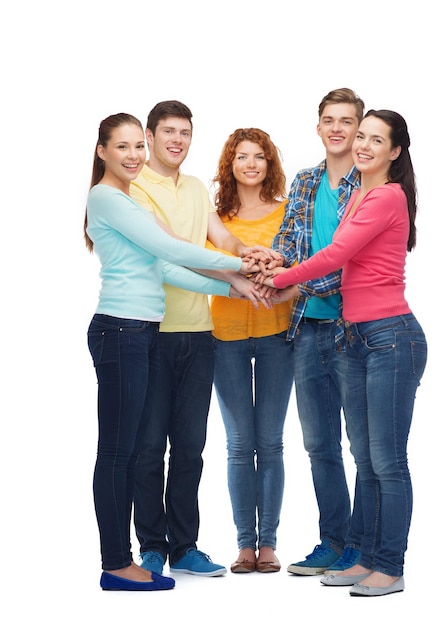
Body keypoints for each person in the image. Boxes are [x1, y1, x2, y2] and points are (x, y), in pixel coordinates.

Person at [85, 113, 260, 591]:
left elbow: (167, 267)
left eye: (134, 148)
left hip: (137, 330)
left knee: (137, 452)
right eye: (122, 147)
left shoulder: (124, 198)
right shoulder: (109, 197)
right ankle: (119, 563)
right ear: (102, 151)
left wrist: (234, 288)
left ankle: (132, 560)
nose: (133, 156)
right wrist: (239, 264)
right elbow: (170, 248)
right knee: (121, 455)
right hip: (122, 331)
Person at [262, 109, 428, 596]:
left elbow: (333, 256)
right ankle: (363, 557)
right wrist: (284, 276)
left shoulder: (387, 197)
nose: (364, 145)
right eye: (362, 137)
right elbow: (331, 260)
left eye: (377, 140)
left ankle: (390, 566)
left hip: (390, 338)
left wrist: (279, 281)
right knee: (369, 461)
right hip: (356, 336)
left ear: (394, 152)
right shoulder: (357, 194)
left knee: (388, 462)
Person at [130, 101, 279, 577]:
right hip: (154, 329)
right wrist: (235, 276)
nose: (177, 140)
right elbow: (172, 254)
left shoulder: (195, 189)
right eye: (168, 131)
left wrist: (244, 251)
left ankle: (185, 546)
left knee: (190, 448)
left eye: (186, 133)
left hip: (199, 333)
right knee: (151, 446)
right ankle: (152, 545)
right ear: (149, 136)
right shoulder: (132, 188)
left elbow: (220, 237)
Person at [268, 88, 365, 575]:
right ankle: (334, 541)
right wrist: (271, 263)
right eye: (329, 119)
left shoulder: (369, 186)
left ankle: (361, 547)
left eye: (347, 121)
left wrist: (288, 284)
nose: (337, 129)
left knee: (363, 446)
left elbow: (348, 262)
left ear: (360, 129)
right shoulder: (305, 181)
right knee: (319, 444)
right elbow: (287, 237)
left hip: (354, 329)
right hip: (307, 328)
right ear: (319, 126)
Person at [209, 128, 294, 573]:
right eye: (242, 156)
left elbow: (299, 266)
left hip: (276, 332)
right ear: (231, 163)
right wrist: (239, 270)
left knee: (272, 442)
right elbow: (203, 264)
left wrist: (274, 268)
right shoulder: (214, 217)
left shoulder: (285, 213)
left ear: (269, 163)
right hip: (224, 334)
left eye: (259, 156)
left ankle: (269, 545)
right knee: (240, 444)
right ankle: (245, 544)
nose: (251, 164)